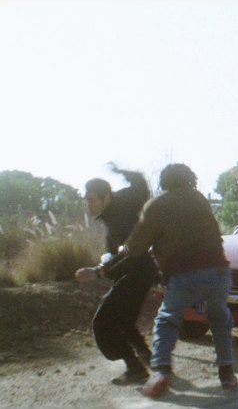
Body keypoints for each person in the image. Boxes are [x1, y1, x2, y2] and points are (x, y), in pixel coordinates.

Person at [114, 163, 237, 398]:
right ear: (190, 179)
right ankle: (227, 373)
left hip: (185, 272)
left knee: (167, 319)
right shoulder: (199, 199)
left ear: (164, 182)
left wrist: (123, 248)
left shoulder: (157, 204)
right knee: (219, 317)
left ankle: (161, 371)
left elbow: (137, 244)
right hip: (218, 269)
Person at [74, 165, 159, 385]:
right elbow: (115, 252)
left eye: (92, 199)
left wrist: (98, 272)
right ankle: (148, 359)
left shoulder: (123, 208)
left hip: (139, 271)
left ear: (105, 198)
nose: (89, 204)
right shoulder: (112, 212)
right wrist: (105, 264)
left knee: (102, 322)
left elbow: (131, 252)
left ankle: (135, 367)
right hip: (138, 271)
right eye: (87, 199)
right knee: (124, 319)